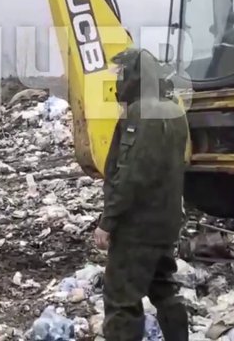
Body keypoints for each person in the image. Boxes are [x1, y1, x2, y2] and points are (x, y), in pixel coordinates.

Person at [93, 46, 190, 341]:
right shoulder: (174, 109)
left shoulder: (141, 113)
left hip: (137, 227)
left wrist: (107, 221)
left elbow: (131, 174)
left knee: (121, 300)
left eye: (122, 73)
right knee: (164, 288)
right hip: (165, 223)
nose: (119, 80)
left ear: (135, 75)